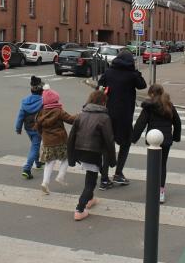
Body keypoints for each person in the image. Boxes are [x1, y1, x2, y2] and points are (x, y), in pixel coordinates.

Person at [98, 50, 146, 190]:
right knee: (125, 144)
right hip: (125, 116)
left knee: (107, 145)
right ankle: (118, 173)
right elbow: (142, 85)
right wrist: (136, 71)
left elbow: (100, 84)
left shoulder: (109, 72)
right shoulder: (132, 75)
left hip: (108, 114)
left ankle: (104, 178)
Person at [67, 90, 116, 221]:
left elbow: (71, 137)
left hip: (80, 150)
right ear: (103, 102)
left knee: (90, 174)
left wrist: (71, 156)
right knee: (91, 182)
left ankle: (90, 199)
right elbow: (109, 141)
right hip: (93, 152)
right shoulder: (104, 118)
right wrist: (112, 160)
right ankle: (80, 209)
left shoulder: (81, 115)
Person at [132, 84, 181, 203]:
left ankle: (152, 189)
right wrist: (175, 137)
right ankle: (161, 192)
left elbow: (140, 123)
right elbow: (177, 122)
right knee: (162, 165)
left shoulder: (148, 107)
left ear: (152, 94)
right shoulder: (169, 105)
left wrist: (133, 138)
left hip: (153, 139)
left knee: (153, 165)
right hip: (166, 140)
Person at [35, 87, 76, 194]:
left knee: (49, 162)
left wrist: (44, 136)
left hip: (47, 142)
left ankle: (45, 183)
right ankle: (61, 176)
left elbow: (38, 127)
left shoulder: (41, 112)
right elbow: (71, 120)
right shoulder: (59, 111)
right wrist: (80, 115)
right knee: (67, 158)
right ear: (55, 100)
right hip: (60, 140)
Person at [15, 76, 44, 179]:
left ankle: (38, 162)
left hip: (28, 128)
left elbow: (20, 116)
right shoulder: (43, 101)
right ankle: (27, 169)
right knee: (35, 147)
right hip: (38, 128)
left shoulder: (25, 101)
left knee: (35, 145)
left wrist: (18, 128)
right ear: (42, 90)